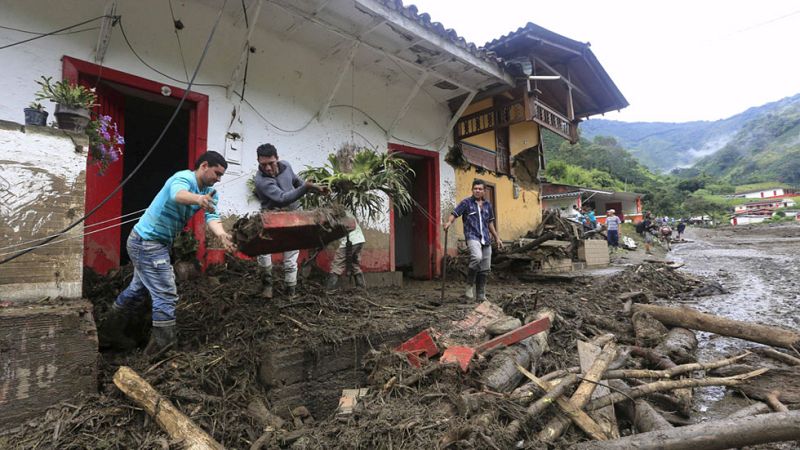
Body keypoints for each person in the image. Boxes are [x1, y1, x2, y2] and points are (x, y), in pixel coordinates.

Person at [102, 151, 235, 354]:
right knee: (166, 292)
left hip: (155, 243)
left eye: (221, 176)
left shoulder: (209, 191)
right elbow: (178, 195)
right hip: (146, 243)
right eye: (217, 173)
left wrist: (222, 234)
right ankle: (164, 348)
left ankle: (109, 333)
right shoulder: (183, 178)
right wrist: (198, 199)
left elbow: (212, 216)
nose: (218, 179)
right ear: (204, 166)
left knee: (138, 289)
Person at [253, 143, 327, 298]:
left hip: (292, 217)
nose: (267, 168)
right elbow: (282, 199)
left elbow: (297, 182)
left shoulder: (286, 166)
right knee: (264, 253)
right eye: (263, 164)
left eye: (271, 163)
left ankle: (290, 292)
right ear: (258, 162)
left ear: (277, 159)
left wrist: (316, 188)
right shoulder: (261, 180)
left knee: (291, 255)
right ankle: (267, 287)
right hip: (271, 218)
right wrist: (305, 188)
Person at [443, 179, 503, 300]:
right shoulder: (466, 203)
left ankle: (480, 294)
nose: (477, 190)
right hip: (472, 236)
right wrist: (449, 222)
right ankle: (469, 286)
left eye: (480, 189)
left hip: (485, 238)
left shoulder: (488, 205)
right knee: (476, 257)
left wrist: (497, 238)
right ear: (472, 189)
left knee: (485, 267)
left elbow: (490, 223)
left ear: (484, 191)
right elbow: (455, 213)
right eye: (475, 188)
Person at [325, 217, 366, 290]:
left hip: (350, 240)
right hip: (360, 240)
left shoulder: (336, 215)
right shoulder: (347, 213)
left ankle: (329, 289)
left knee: (337, 264)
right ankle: (361, 286)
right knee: (354, 263)